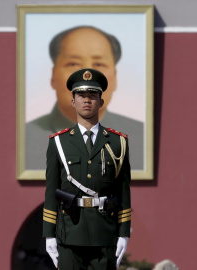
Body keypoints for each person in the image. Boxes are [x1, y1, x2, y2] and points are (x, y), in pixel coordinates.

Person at [43, 68, 131, 269]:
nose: (87, 100)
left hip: (105, 234)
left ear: (101, 101)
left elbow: (123, 191)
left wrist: (123, 233)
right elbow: (51, 191)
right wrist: (49, 234)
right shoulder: (58, 142)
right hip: (69, 234)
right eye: (81, 96)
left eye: (92, 96)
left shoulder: (119, 143)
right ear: (73, 101)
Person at [26, 25, 144, 171]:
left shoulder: (140, 137)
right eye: (73, 63)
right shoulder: (26, 138)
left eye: (99, 64)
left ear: (115, 77)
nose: (87, 77)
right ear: (53, 76)